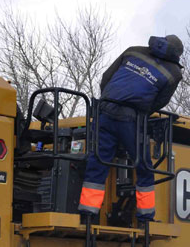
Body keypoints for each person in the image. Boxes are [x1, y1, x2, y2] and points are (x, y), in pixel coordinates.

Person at [78, 35, 183, 221]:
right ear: (177, 55)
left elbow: (106, 78)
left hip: (104, 112)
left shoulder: (134, 50)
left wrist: (108, 101)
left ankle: (88, 214)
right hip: (129, 120)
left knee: (97, 162)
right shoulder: (173, 72)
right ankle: (145, 219)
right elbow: (160, 101)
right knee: (144, 166)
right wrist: (139, 113)